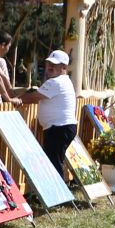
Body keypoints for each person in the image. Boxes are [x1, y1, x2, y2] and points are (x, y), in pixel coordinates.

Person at [19, 50, 79, 182]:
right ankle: (59, 194)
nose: (50, 67)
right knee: (55, 160)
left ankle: (59, 195)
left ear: (64, 67)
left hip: (59, 128)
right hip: (63, 127)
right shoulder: (64, 81)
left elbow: (35, 97)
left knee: (54, 162)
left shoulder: (55, 82)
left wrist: (17, 100)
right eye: (48, 64)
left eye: (55, 64)